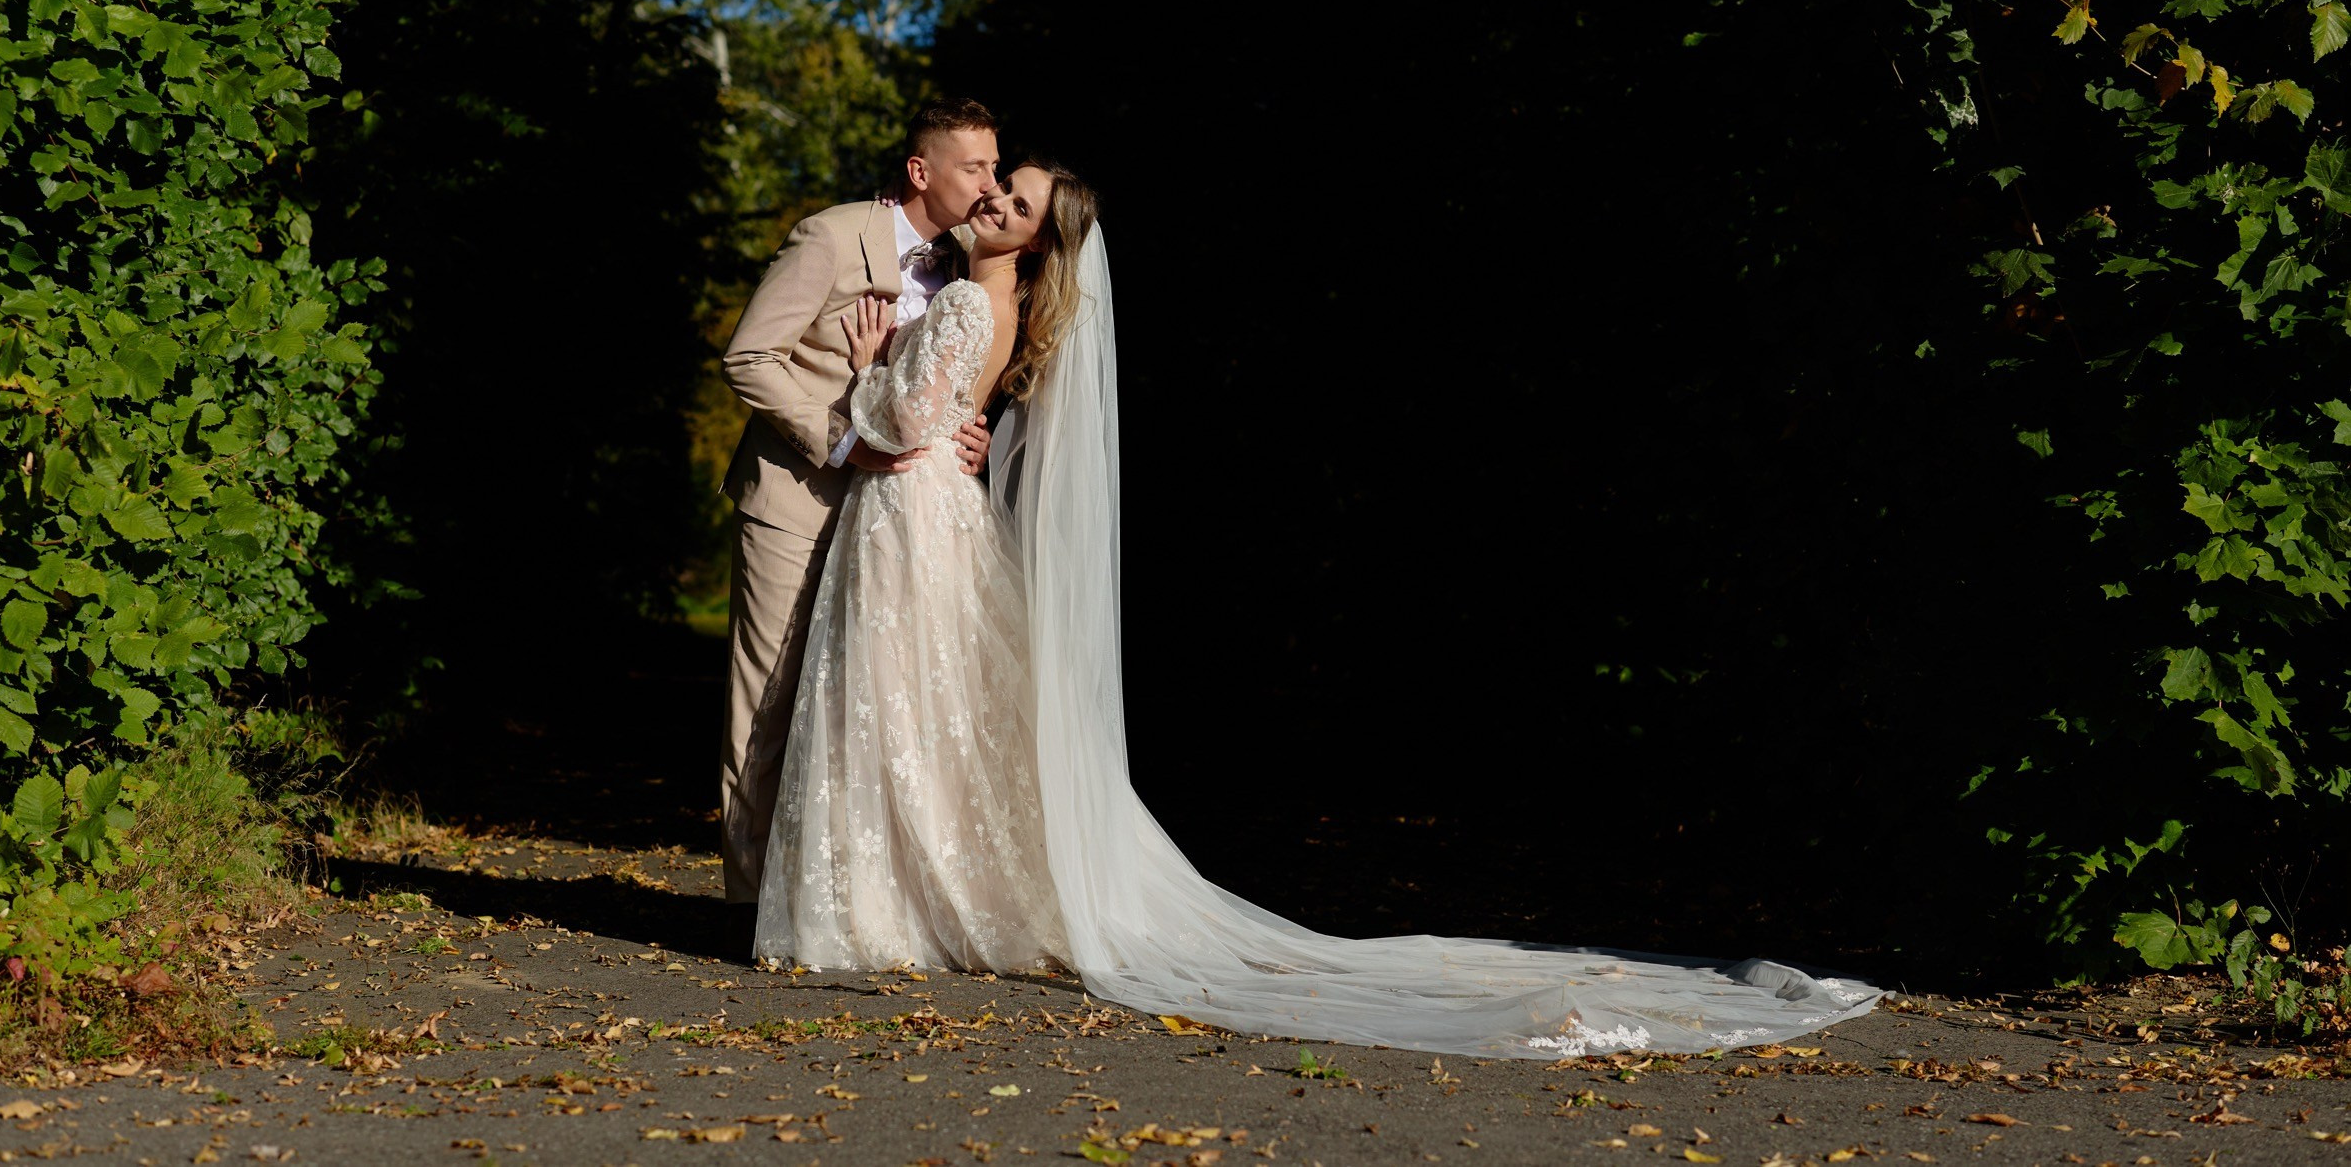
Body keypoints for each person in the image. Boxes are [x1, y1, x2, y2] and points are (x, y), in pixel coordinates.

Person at [757, 158, 1886, 1059]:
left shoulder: (961, 297)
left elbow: (901, 423)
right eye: (995, 185)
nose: (992, 198)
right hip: (928, 517)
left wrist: (865, 369)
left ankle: (888, 904)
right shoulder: (993, 303)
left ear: (1037, 240)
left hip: (909, 515)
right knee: (922, 712)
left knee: (901, 707)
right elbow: (949, 416)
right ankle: (918, 902)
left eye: (1013, 199)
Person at [716, 99, 1000, 904]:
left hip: (896, 519)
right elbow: (747, 357)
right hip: (798, 501)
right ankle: (748, 907)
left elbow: (956, 375)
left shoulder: (971, 261)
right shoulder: (832, 236)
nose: (989, 184)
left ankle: (829, 904)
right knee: (768, 705)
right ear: (922, 171)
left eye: (993, 166)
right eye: (974, 167)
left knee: (861, 711)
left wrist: (971, 434)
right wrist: (842, 439)